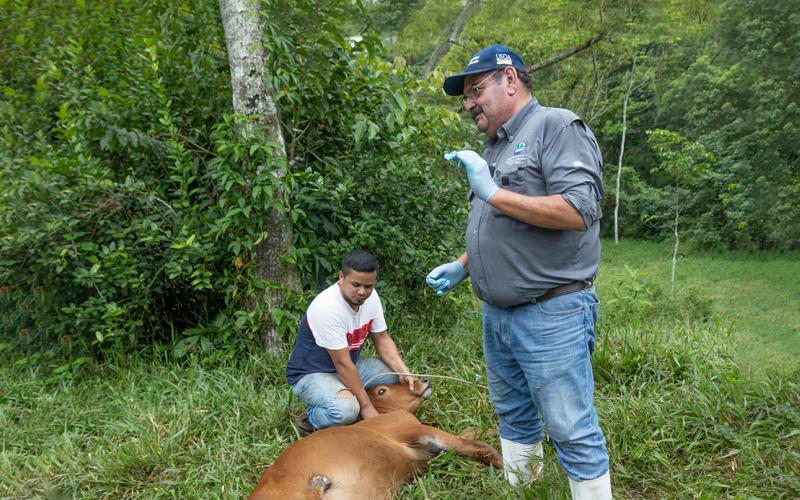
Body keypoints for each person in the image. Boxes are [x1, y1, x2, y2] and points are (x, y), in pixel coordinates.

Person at [425, 44, 611, 499]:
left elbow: (577, 209)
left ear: (511, 79)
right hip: (499, 315)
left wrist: (491, 192)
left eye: (476, 90)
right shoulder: (496, 146)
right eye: (465, 95)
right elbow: (502, 226)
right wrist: (463, 266)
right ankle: (524, 492)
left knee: (569, 425)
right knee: (513, 414)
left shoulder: (555, 126)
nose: (468, 103)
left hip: (552, 312)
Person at [286, 249, 417, 435]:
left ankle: (353, 398)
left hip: (348, 367)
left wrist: (404, 371)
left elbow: (382, 339)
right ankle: (311, 418)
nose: (362, 292)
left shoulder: (371, 299)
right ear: (341, 277)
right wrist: (365, 407)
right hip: (311, 374)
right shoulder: (327, 308)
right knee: (346, 410)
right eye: (355, 285)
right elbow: (343, 364)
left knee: (396, 377)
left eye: (368, 286)